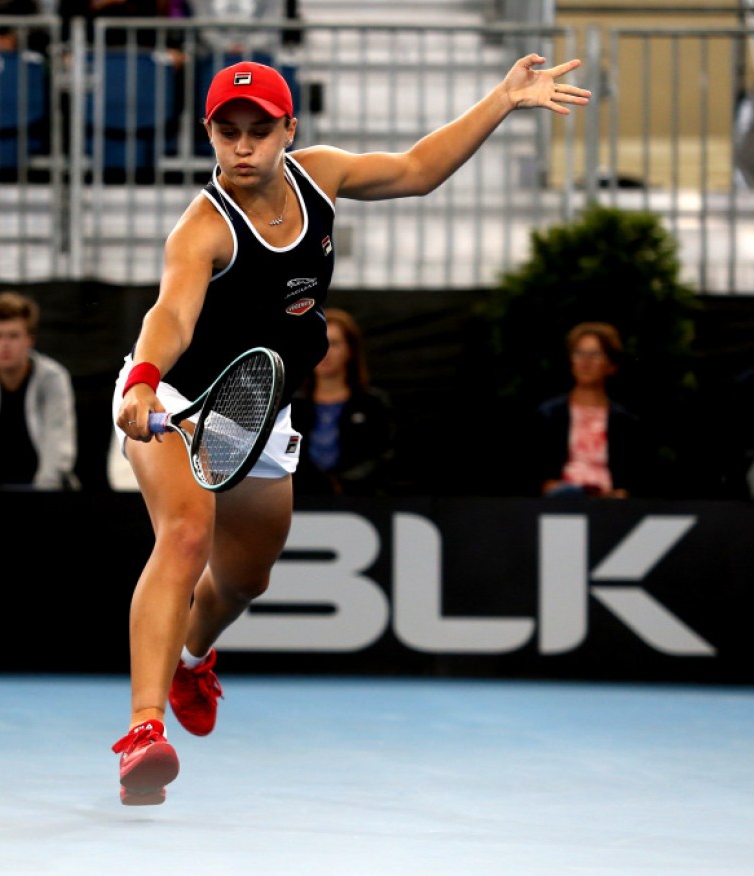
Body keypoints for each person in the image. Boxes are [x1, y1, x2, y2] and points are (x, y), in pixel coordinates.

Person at [109, 56, 590, 805]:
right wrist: (141, 379)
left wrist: (501, 100)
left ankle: (192, 658)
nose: (242, 146)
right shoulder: (200, 228)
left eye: (258, 131)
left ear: (287, 131)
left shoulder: (321, 175)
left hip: (258, 411)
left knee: (243, 579)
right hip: (173, 398)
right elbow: (169, 315)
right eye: (226, 131)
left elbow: (416, 169)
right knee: (183, 536)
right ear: (207, 133)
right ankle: (143, 730)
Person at [0, 290, 80, 490]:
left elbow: (58, 437)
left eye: (14, 336)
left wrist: (44, 495)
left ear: (30, 339)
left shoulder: (53, 378)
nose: (5, 345)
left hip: (44, 494)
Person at [533, 321, 651, 499]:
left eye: (595, 354)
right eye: (579, 353)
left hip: (610, 508)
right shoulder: (549, 414)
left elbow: (636, 477)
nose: (585, 361)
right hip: (560, 505)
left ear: (611, 365)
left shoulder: (625, 421)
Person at [289, 307, 394, 496]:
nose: (325, 352)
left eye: (334, 343)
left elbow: (385, 455)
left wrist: (345, 482)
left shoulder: (372, 404)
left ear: (350, 350)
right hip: (301, 502)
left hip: (361, 500)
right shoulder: (291, 407)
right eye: (318, 342)